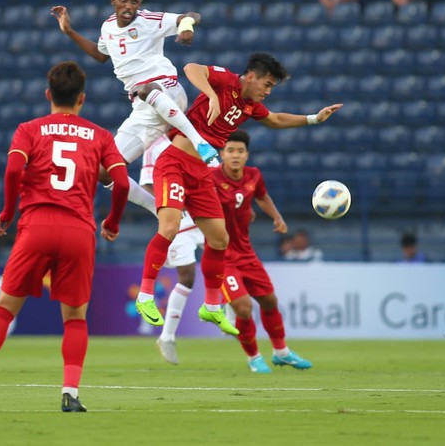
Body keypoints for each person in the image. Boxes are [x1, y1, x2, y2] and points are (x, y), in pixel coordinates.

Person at [0, 62, 129, 413]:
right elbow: (121, 183)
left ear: (48, 94)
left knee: (5, 307)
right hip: (79, 230)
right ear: (82, 99)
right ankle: (70, 393)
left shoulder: (29, 130)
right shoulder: (100, 136)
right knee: (75, 317)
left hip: (37, 226)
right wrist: (113, 220)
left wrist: (6, 212)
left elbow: (15, 168)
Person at [134, 52, 341, 335]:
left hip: (202, 173)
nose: (268, 92)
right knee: (169, 227)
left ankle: (211, 305)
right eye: (267, 85)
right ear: (251, 76)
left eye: (271, 88)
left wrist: (314, 119)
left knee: (220, 239)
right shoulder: (226, 81)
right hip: (174, 163)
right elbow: (192, 67)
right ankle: (145, 296)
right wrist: (211, 95)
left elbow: (276, 119)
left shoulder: (250, 106)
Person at [51, 0, 218, 216]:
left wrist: (186, 26)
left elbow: (191, 15)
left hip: (166, 89)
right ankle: (155, 207)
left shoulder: (148, 20)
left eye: (134, 1)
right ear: (114, 2)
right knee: (104, 171)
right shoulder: (107, 27)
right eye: (124, 0)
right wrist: (69, 31)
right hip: (143, 107)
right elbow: (101, 55)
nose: (129, 5)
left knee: (146, 89)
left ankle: (199, 142)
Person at [213, 130, 312, 373]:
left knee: (270, 301)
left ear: (247, 155)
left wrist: (277, 217)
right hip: (221, 259)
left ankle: (281, 352)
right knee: (244, 307)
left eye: (240, 151)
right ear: (221, 154)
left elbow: (261, 196)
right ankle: (254, 357)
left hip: (247, 254)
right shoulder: (210, 179)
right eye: (231, 150)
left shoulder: (253, 175)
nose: (235, 155)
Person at [139, 135, 205, 365]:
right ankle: (167, 337)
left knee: (225, 249)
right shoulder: (153, 144)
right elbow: (147, 183)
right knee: (187, 275)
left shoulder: (189, 136)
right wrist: (172, 205)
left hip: (201, 211)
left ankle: (224, 305)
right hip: (180, 216)